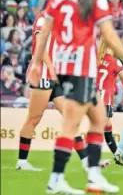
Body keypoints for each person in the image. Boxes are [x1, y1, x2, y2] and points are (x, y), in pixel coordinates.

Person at [28, 0, 123, 194]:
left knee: (98, 118)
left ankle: (93, 177)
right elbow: (109, 36)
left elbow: (45, 31)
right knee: (71, 125)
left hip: (65, 66)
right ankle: (56, 180)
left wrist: (36, 63)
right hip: (80, 68)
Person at [17, 9, 106, 172]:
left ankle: (86, 161)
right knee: (34, 118)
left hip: (55, 76)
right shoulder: (44, 18)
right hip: (44, 73)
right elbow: (40, 47)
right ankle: (22, 162)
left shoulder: (61, 21)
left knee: (70, 117)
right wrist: (51, 69)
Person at [96, 37, 123, 166]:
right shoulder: (115, 62)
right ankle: (93, 160)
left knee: (106, 126)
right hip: (105, 99)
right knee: (99, 128)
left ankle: (116, 154)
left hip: (94, 97)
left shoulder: (98, 60)